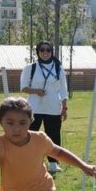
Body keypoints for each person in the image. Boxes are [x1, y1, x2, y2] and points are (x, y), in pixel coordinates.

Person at [20, 41, 69, 173]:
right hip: (34, 108)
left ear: (51, 52)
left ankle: (53, 163)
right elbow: (23, 87)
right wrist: (35, 91)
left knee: (53, 135)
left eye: (48, 50)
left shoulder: (58, 68)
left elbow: (63, 89)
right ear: (38, 52)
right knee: (31, 135)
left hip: (53, 108)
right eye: (42, 50)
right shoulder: (30, 68)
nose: (45, 52)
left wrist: (64, 108)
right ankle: (29, 161)